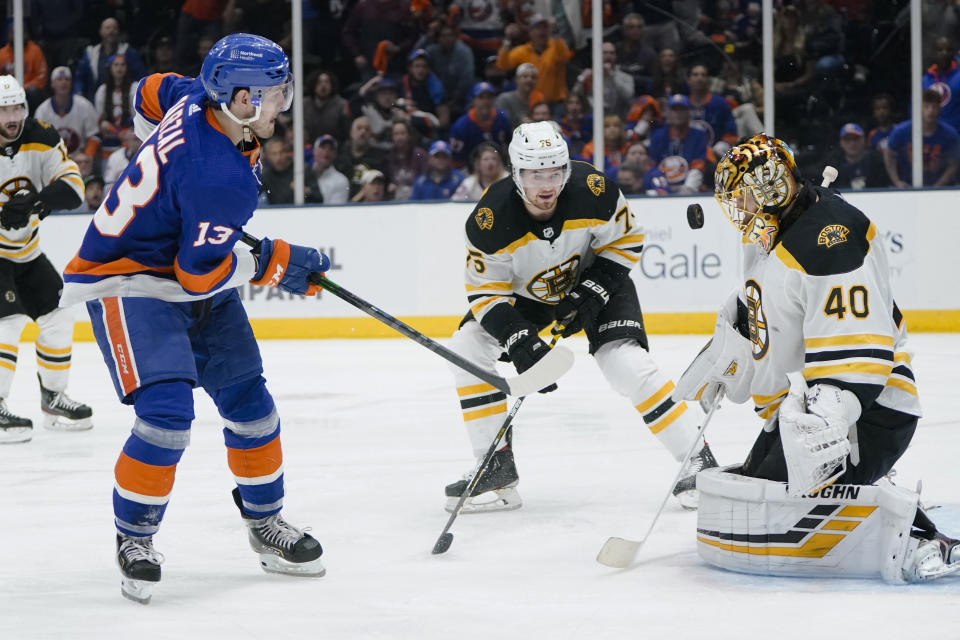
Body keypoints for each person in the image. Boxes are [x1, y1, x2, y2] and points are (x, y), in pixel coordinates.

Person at [60, 33, 326, 604]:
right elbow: (199, 276)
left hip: (184, 264)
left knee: (252, 405)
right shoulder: (217, 178)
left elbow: (145, 92)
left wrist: (162, 165)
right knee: (167, 416)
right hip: (129, 280)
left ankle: (265, 523)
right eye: (278, 92)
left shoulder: (196, 97)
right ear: (244, 99)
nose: (286, 102)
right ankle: (134, 538)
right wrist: (273, 262)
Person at [682, 134, 958, 583]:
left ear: (772, 188)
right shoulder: (783, 230)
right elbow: (776, 310)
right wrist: (732, 351)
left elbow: (858, 353)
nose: (740, 211)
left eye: (744, 197)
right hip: (814, 407)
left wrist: (823, 425)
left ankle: (925, 539)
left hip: (869, 411)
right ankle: (866, 484)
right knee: (756, 487)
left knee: (787, 501)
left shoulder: (831, 240)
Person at [441, 120, 718, 514]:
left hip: (596, 278)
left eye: (554, 172)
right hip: (528, 296)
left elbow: (628, 240)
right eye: (535, 174)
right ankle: (494, 463)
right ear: (517, 173)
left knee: (625, 363)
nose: (546, 184)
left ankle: (697, 459)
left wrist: (596, 287)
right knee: (467, 346)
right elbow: (487, 293)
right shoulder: (489, 220)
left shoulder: (593, 190)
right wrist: (520, 340)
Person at [0, 75, 90, 444]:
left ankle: (53, 398)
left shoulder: (42, 136)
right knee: (8, 323)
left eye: (17, 107)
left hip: (27, 252)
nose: (12, 116)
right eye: (4, 109)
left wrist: (36, 202)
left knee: (58, 315)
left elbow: (74, 188)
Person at [884, 89, 960, 187]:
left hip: (941, 191)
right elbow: (889, 154)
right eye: (926, 106)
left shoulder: (950, 134)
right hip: (908, 188)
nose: (931, 111)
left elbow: (955, 162)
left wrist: (939, 186)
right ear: (918, 108)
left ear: (940, 109)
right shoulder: (901, 131)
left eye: (935, 107)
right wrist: (897, 181)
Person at [34, 66, 101, 157]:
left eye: (67, 79)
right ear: (52, 84)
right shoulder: (42, 111)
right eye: (59, 79)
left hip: (79, 159)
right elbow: (37, 142)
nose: (63, 82)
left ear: (71, 83)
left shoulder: (84, 106)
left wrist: (87, 156)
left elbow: (95, 135)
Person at [449, 82, 512, 169]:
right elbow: (457, 161)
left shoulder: (502, 118)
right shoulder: (461, 127)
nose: (485, 101)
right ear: (473, 100)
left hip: (500, 167)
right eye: (481, 97)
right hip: (471, 171)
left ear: (494, 99)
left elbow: (511, 146)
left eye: (489, 97)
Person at [823, 123, 888, 190]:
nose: (852, 143)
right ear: (841, 143)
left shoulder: (877, 161)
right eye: (847, 139)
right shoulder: (833, 164)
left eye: (856, 138)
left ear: (864, 140)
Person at [306, 134, 350, 205]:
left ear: (335, 154)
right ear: (314, 151)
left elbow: (335, 211)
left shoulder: (341, 181)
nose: (326, 151)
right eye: (323, 147)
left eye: (331, 149)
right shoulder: (303, 174)